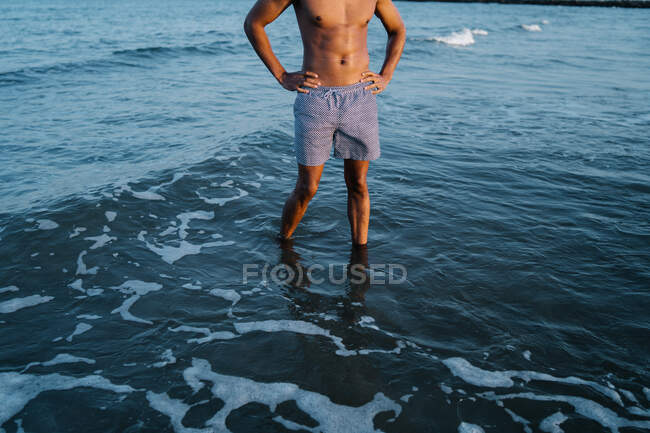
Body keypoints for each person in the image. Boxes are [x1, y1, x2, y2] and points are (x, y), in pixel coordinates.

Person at [244, 0, 406, 246]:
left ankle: (359, 254)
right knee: (307, 187)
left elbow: (397, 29)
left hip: (360, 96)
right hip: (316, 98)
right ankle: (282, 244)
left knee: (358, 184)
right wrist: (281, 74)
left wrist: (387, 74)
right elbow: (254, 22)